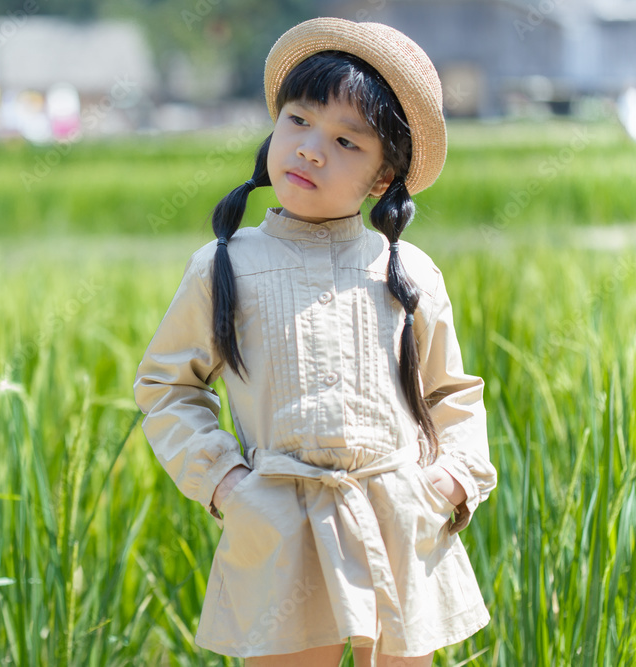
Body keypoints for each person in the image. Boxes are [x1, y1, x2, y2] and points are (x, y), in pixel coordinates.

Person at [132, 17, 497, 667]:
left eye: (346, 141)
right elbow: (168, 386)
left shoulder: (408, 272)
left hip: (399, 522)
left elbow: (450, 393)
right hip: (279, 529)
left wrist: (446, 484)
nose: (310, 149)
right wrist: (226, 484)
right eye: (298, 121)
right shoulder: (224, 266)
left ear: (385, 178)